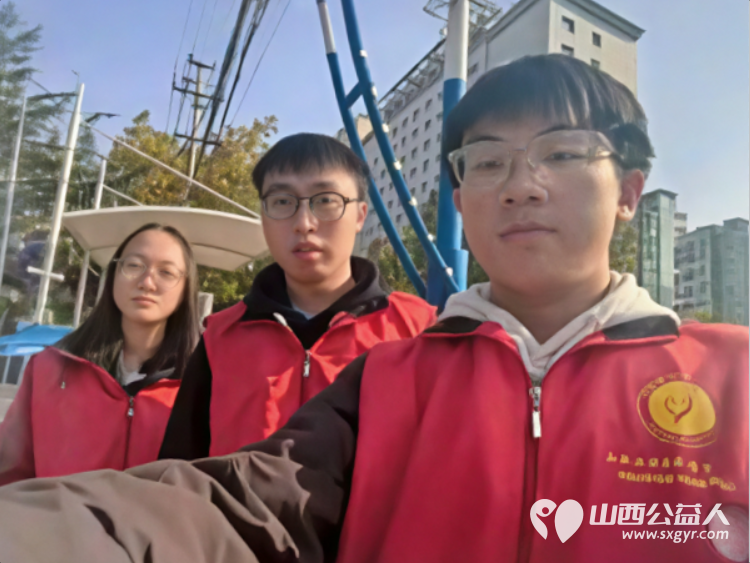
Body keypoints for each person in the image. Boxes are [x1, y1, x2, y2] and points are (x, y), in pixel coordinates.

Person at [0, 55, 746, 563]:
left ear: (630, 191)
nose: (522, 185)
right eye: (489, 161)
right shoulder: (385, 378)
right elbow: (226, 499)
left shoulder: (733, 377)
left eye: (561, 153)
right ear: (461, 199)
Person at [158, 133, 436, 460]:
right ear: (263, 216)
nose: (304, 223)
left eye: (326, 200)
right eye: (282, 202)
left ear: (360, 215)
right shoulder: (220, 339)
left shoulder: (420, 331)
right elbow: (178, 470)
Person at [0, 223, 200, 484]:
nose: (147, 282)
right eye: (134, 265)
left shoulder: (204, 385)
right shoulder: (49, 368)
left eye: (166, 272)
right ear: (114, 275)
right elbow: (9, 471)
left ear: (186, 288)